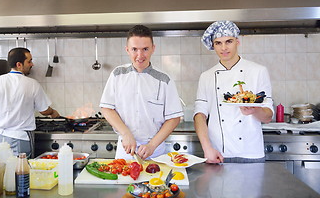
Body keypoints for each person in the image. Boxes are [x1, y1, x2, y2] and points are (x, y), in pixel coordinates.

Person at [194, 20, 273, 163]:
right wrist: (207, 148)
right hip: (218, 152)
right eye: (218, 43)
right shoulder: (206, 77)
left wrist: (254, 110)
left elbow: (268, 116)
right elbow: (200, 115)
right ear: (213, 45)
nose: (224, 48)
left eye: (228, 41)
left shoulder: (258, 71)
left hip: (251, 152)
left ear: (237, 42)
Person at [100, 25, 183, 160]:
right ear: (127, 50)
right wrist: (126, 134)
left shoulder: (164, 80)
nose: (140, 55)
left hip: (155, 152)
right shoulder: (117, 74)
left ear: (153, 49)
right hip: (125, 151)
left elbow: (174, 118)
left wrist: (151, 145)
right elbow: (107, 108)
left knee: (155, 181)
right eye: (134, 49)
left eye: (145, 49)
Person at [0, 47, 60, 158]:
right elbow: (44, 110)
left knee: (5, 172)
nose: (32, 64)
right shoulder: (32, 84)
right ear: (19, 64)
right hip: (22, 138)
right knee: (23, 172)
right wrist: (53, 112)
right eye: (29, 61)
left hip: (2, 138)